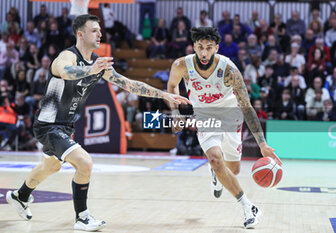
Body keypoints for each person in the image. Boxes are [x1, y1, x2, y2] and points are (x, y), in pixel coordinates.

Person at [6, 14, 190, 232]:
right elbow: (66, 72)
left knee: (51, 166)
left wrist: (164, 95)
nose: (100, 34)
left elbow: (129, 84)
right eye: (94, 30)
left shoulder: (98, 63)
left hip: (65, 126)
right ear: (80, 34)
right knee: (84, 163)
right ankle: (82, 218)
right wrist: (90, 70)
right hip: (48, 125)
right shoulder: (66, 57)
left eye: (100, 30)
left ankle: (20, 195)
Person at [167, 27, 282, 229]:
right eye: (200, 47)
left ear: (216, 48)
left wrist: (262, 144)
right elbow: (171, 86)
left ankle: (217, 173)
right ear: (194, 46)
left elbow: (247, 107)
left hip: (231, 116)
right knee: (215, 159)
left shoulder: (229, 70)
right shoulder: (181, 65)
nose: (203, 53)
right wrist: (176, 112)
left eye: (208, 48)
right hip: (204, 115)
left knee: (233, 170)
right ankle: (248, 207)